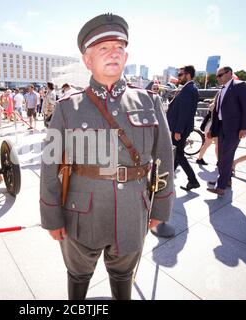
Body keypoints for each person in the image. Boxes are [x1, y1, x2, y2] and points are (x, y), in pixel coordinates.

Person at [40, 13, 174, 300]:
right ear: (87, 60)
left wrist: (160, 207)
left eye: (119, 47)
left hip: (132, 209)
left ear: (126, 55)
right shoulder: (67, 107)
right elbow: (50, 165)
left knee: (124, 273)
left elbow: (163, 156)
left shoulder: (149, 101)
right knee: (78, 274)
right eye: (103, 48)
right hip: (80, 211)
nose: (113, 53)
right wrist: (51, 216)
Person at [207, 66, 246, 195]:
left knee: (225, 156)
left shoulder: (240, 86)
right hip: (221, 127)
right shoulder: (222, 89)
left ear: (229, 73)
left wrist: (245, 127)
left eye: (219, 75)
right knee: (223, 156)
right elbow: (217, 111)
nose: (217, 78)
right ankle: (225, 180)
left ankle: (221, 186)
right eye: (217, 76)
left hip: (234, 128)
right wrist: (212, 128)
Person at [166, 65, 200, 191]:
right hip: (179, 128)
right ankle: (169, 177)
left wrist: (178, 130)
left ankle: (193, 180)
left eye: (180, 74)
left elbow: (184, 112)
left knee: (179, 155)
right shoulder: (187, 88)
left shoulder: (189, 90)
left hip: (179, 129)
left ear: (188, 75)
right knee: (176, 154)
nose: (178, 77)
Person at [196, 96, 219, 165]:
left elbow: (209, 116)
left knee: (208, 144)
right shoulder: (217, 106)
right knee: (216, 145)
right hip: (213, 127)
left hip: (210, 126)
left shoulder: (213, 105)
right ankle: (219, 162)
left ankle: (199, 159)